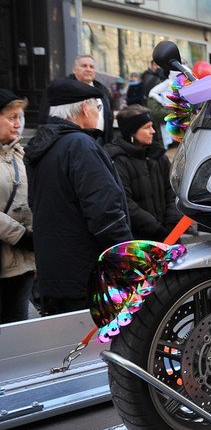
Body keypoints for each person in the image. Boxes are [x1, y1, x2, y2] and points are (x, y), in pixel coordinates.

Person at [24, 79, 132, 315]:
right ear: (84, 107)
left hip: (55, 273)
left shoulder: (42, 146)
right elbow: (105, 212)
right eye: (97, 107)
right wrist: (126, 256)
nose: (98, 113)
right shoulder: (80, 145)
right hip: (85, 274)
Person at [107, 105, 183, 240]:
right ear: (132, 132)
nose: (153, 131)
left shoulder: (158, 155)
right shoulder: (117, 160)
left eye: (152, 126)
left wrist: (172, 223)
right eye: (147, 127)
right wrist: (156, 229)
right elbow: (126, 202)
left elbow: (173, 190)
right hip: (139, 240)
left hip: (169, 235)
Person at [0, 89, 35, 323]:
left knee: (18, 329)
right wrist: (21, 236)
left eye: (20, 117)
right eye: (11, 117)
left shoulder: (20, 154)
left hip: (21, 264)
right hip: (9, 253)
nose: (17, 124)